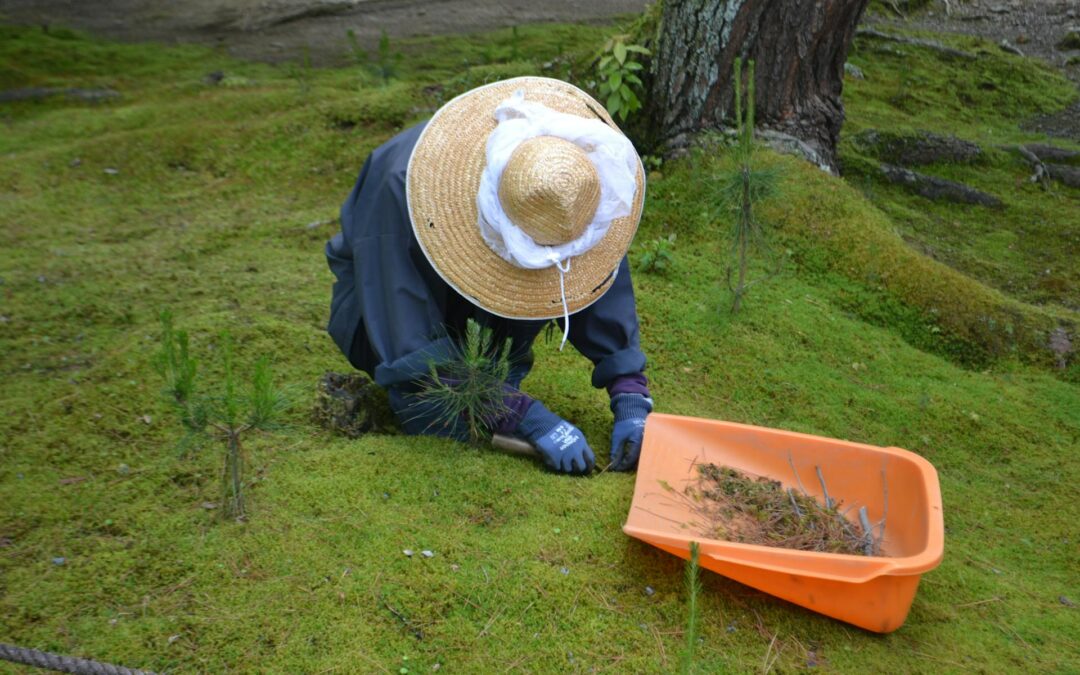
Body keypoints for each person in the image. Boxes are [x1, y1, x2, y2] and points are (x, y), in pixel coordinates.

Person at [325, 77, 653, 475]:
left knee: (500, 366)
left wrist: (630, 392)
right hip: (381, 300)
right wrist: (524, 415)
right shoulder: (401, 187)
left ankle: (493, 382)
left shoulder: (566, 166)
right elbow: (405, 337)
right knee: (430, 409)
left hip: (465, 309)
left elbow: (588, 268)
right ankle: (482, 397)